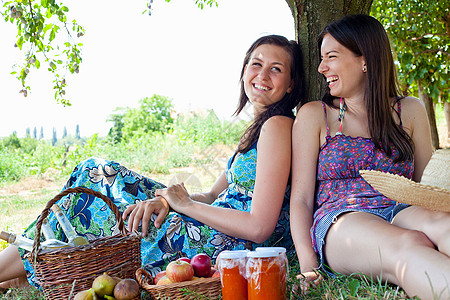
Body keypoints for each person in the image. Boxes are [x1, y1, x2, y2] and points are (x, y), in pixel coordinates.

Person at [0, 34, 307, 290]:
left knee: (95, 177)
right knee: (102, 180)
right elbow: (212, 196)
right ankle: (29, 269)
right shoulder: (259, 130)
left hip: (228, 248)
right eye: (256, 64)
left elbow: (259, 226)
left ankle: (27, 267)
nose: (263, 75)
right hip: (212, 227)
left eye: (276, 69)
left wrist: (184, 206)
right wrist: (167, 202)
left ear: (291, 84)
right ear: (243, 71)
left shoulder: (278, 126)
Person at [290, 14, 450, 300]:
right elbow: (301, 199)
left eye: (332, 56)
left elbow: (424, 188)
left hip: (403, 208)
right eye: (322, 58)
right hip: (343, 219)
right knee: (407, 245)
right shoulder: (316, 115)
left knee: (444, 225)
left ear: (365, 59)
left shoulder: (409, 110)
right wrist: (308, 265)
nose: (321, 67)